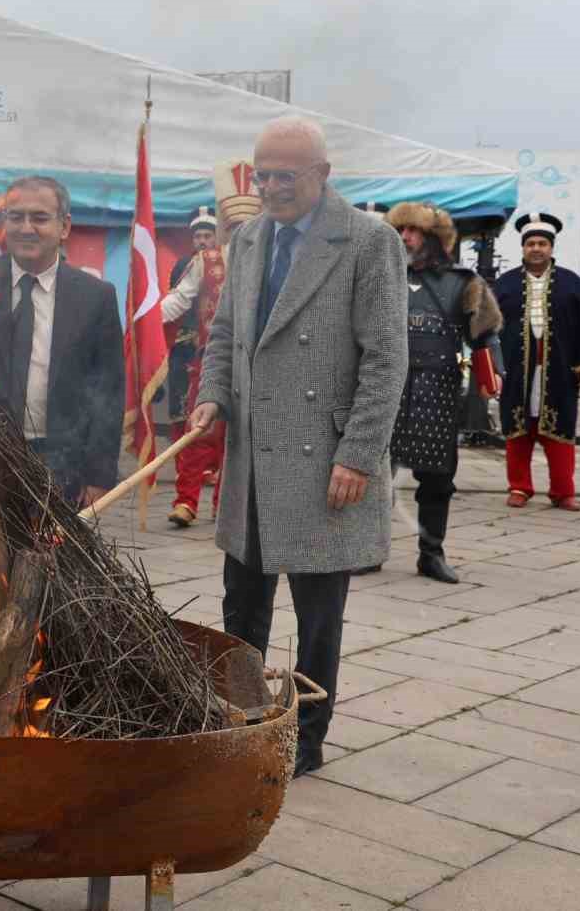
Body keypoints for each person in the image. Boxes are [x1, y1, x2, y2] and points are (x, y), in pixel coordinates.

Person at [189, 116, 407, 778]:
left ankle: (306, 737)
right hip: (254, 460)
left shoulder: (369, 241)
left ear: (323, 174)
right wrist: (211, 394)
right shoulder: (250, 237)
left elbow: (386, 359)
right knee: (241, 604)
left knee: (319, 619)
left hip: (325, 462)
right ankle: (245, 718)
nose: (274, 187)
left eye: (288, 175)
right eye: (265, 175)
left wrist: (358, 454)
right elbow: (226, 335)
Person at [0, 176, 125, 505]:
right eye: (16, 217)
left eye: (40, 218)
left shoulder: (95, 297)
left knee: (53, 557)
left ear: (65, 227)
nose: (26, 228)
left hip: (61, 468)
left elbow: (108, 392)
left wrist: (99, 476)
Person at [360, 202, 502, 584]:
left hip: (436, 391)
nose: (405, 237)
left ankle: (431, 554)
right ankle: (367, 550)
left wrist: (495, 372)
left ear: (435, 239)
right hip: (382, 388)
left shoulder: (463, 282)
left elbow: (486, 332)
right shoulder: (376, 274)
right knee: (372, 475)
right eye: (400, 230)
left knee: (437, 480)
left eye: (414, 231)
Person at [495, 212, 580, 511]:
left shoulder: (572, 284)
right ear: (523, 247)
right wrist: (492, 367)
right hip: (517, 370)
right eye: (531, 243)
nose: (536, 248)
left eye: (542, 243)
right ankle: (519, 487)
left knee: (560, 433)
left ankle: (563, 492)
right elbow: (490, 329)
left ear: (551, 247)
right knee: (517, 431)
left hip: (559, 369)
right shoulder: (504, 285)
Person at [163, 205, 223, 526]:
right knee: (198, 428)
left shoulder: (269, 256)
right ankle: (186, 501)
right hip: (210, 357)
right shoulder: (205, 261)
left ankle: (224, 505)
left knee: (241, 437)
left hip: (256, 361)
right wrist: (146, 319)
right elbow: (178, 300)